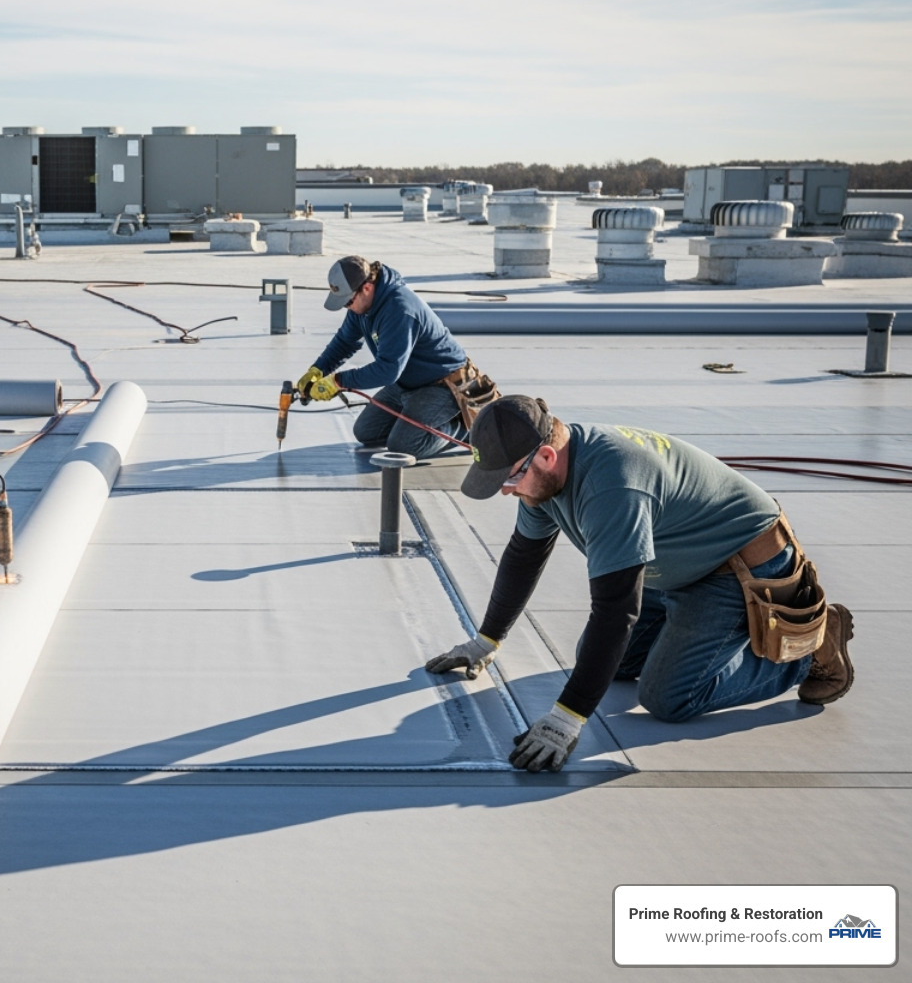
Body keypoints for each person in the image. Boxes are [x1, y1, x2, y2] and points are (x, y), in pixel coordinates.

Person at [425, 395, 855, 771]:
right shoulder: (542, 479)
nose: (506, 491)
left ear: (546, 457)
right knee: (610, 663)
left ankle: (809, 652)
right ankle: (690, 637)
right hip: (673, 564)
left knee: (668, 697)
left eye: (510, 478)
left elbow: (616, 611)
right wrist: (486, 641)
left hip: (735, 567)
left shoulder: (612, 485)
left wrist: (566, 719)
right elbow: (524, 555)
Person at [296, 255, 495, 459]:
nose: (347, 307)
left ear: (367, 288)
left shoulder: (400, 309)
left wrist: (338, 381)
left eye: (348, 301)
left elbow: (387, 370)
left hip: (442, 384)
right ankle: (419, 420)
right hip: (407, 382)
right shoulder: (361, 307)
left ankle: (463, 428)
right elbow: (345, 341)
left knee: (403, 446)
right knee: (366, 432)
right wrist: (318, 369)